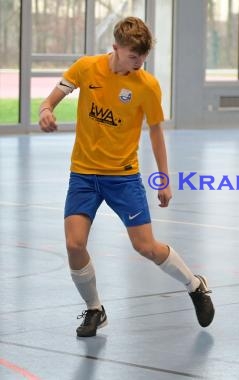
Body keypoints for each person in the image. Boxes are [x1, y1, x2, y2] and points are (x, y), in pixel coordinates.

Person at [38, 16, 214, 337]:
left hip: (123, 177)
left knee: (146, 247)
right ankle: (95, 309)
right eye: (134, 56)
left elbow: (156, 132)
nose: (139, 62)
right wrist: (46, 110)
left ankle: (195, 285)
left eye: (143, 57)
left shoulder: (146, 85)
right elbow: (52, 98)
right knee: (74, 244)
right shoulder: (86, 68)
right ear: (116, 48)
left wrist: (164, 178)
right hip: (84, 175)